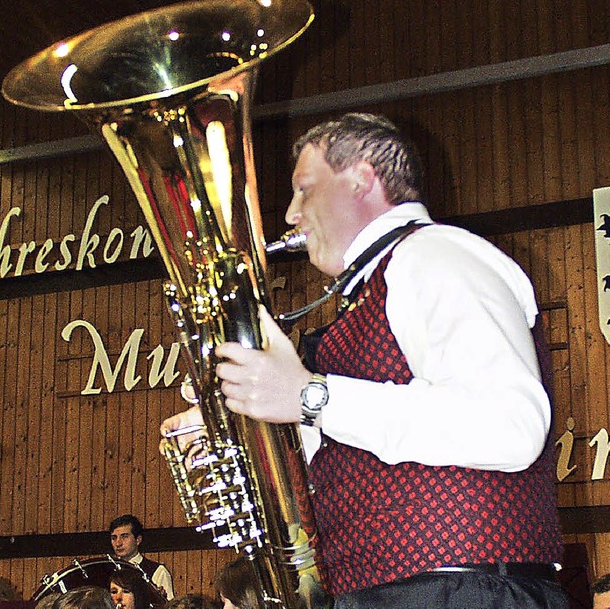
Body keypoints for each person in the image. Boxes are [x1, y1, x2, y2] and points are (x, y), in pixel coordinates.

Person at [161, 112, 569, 608]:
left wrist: (308, 396)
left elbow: (510, 427)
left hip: (459, 589)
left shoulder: (434, 255)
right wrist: (242, 421)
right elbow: (355, 450)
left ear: (361, 178)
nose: (291, 214)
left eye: (304, 190)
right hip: (398, 590)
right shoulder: (369, 295)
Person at [109, 515, 174, 600]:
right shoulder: (107, 571)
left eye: (124, 536)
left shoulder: (158, 572)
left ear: (138, 540)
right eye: (114, 538)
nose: (118, 543)